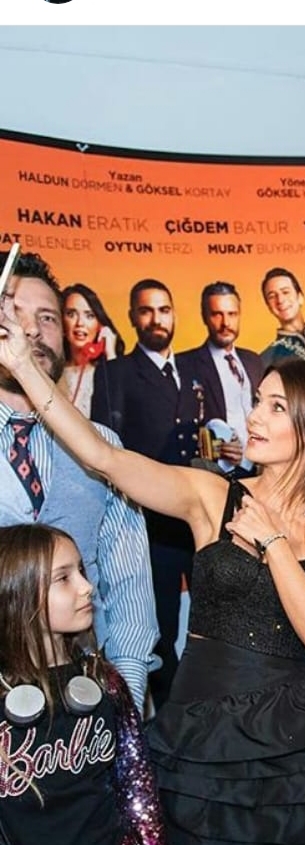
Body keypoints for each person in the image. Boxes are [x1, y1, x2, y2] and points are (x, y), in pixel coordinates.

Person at [0, 307, 305, 845]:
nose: (253, 416)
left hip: (295, 732)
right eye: (258, 401)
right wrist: (21, 365)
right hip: (204, 731)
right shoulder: (211, 495)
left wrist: (274, 542)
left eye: (276, 407)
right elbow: (103, 458)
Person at [0, 250, 157, 713]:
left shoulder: (102, 445)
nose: (31, 330)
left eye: (47, 317)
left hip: (86, 701)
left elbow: (128, 587)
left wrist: (125, 705)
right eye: (13, 312)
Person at [0, 522, 181, 845]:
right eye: (63, 578)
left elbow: (136, 788)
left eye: (81, 570)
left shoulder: (104, 681)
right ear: (16, 593)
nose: (87, 587)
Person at [94, 278, 204, 711]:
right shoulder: (115, 373)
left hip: (199, 522)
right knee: (158, 628)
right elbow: (104, 448)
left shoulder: (194, 370)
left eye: (164, 309)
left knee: (210, 623)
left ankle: (204, 710)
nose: (157, 318)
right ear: (132, 318)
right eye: (146, 310)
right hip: (149, 526)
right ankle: (169, 715)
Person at [177, 281, 263, 477]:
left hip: (259, 470)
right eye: (217, 314)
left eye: (232, 314)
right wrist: (215, 448)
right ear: (204, 317)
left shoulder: (253, 360)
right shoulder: (185, 364)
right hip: (217, 474)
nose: (226, 323)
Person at [60, 283, 125, 418]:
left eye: (89, 316)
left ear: (99, 325)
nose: (80, 323)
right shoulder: (52, 372)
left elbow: (120, 414)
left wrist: (110, 355)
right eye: (71, 314)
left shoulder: (107, 372)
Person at [260, 268, 305, 368]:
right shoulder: (267, 359)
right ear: (269, 307)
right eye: (272, 296)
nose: (280, 300)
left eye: (285, 292)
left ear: (300, 297)